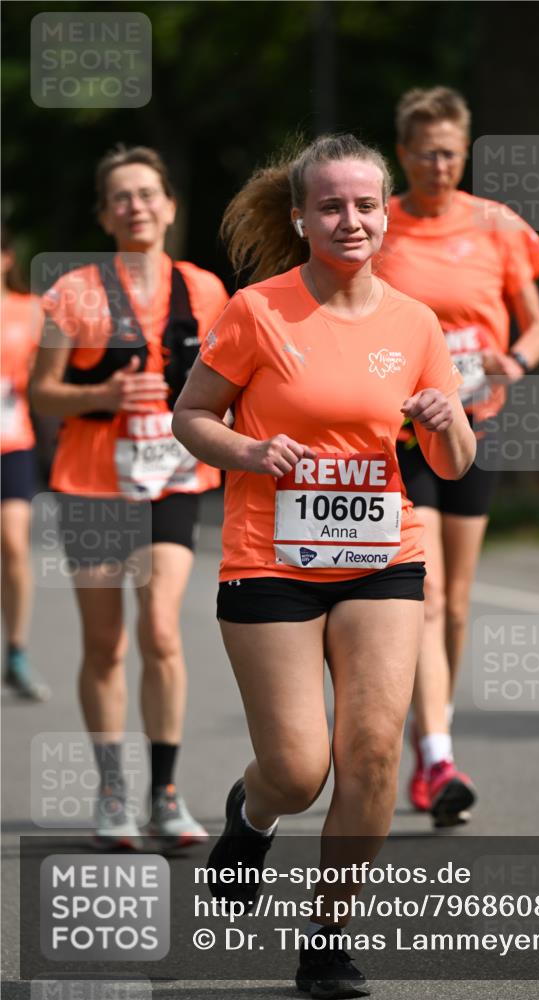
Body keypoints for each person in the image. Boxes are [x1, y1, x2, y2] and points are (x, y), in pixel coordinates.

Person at [172, 133, 476, 999]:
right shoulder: (256, 310)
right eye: (332, 205)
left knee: (374, 752)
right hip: (271, 557)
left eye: (366, 204)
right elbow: (191, 415)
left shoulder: (415, 323)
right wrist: (246, 449)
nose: (352, 219)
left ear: (386, 215)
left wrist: (439, 420)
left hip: (381, 556)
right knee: (299, 769)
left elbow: (453, 463)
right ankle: (251, 814)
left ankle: (329, 935)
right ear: (301, 216)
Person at [30, 145, 229, 848]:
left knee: (163, 631)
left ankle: (165, 793)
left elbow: (232, 385)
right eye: (121, 196)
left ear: (170, 206)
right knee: (107, 645)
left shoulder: (207, 291)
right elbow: (41, 392)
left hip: (174, 479)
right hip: (92, 483)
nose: (136, 206)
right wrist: (105, 393)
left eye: (148, 193)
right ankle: (114, 788)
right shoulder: (73, 292)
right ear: (104, 213)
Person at [375, 86, 539, 826]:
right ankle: (436, 755)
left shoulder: (496, 225)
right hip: (404, 431)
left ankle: (430, 736)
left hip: (477, 424)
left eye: (449, 151)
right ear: (402, 154)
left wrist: (513, 359)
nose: (437, 164)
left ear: (465, 150)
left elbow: (536, 327)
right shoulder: (378, 225)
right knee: (426, 591)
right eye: (424, 152)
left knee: (455, 602)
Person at [1, 225, 51, 701]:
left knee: (14, 543)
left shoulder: (29, 311)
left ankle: (15, 650)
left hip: (12, 442)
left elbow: (47, 378)